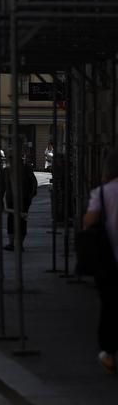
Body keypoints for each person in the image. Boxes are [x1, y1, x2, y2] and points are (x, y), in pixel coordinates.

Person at [82, 149, 118, 375]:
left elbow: (88, 222)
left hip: (109, 262)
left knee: (109, 307)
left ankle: (109, 354)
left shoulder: (103, 193)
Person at [2, 155, 38, 251]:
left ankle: (12, 243)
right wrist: (31, 195)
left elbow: (2, 187)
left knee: (13, 221)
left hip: (17, 199)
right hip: (21, 199)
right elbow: (34, 183)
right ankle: (18, 244)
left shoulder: (8, 170)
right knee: (20, 221)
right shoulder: (25, 169)